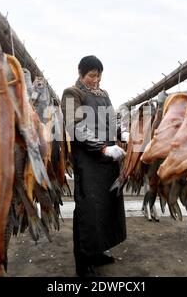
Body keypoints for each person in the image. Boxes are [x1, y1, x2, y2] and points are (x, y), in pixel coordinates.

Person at [61, 56, 127, 277]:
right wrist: (101, 148)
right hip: (88, 160)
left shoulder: (104, 94)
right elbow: (75, 126)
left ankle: (97, 253)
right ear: (81, 73)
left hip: (107, 162)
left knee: (105, 208)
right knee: (88, 211)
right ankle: (83, 262)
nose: (96, 80)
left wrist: (121, 133)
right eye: (91, 75)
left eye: (98, 75)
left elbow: (112, 120)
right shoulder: (72, 93)